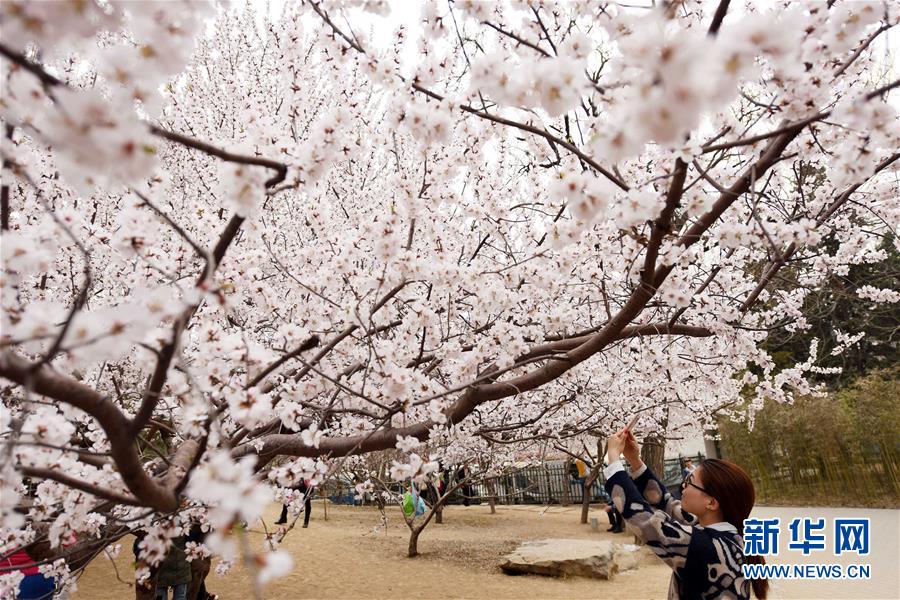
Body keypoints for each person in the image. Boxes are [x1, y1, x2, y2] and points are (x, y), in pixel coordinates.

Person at [604, 429, 768, 600]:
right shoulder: (727, 535)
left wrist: (613, 458)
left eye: (690, 481)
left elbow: (646, 522)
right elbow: (666, 503)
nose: (683, 486)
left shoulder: (704, 547)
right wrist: (634, 459)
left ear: (711, 503)